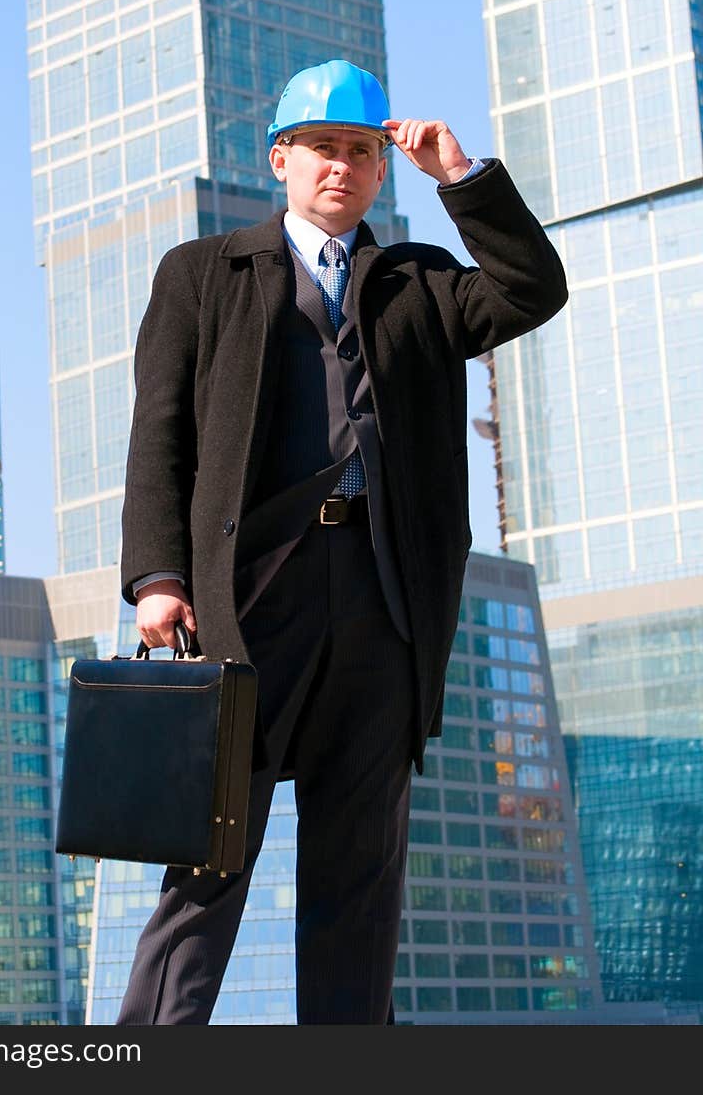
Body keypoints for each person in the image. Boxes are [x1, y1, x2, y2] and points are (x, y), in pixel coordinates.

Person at [116, 59, 568, 1025]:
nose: (344, 167)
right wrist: (157, 578)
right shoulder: (203, 274)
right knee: (206, 866)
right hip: (249, 602)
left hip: (383, 606)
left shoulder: (421, 282)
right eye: (324, 147)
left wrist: (462, 178)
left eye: (363, 152)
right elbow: (159, 434)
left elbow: (534, 289)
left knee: (360, 885)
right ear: (282, 158)